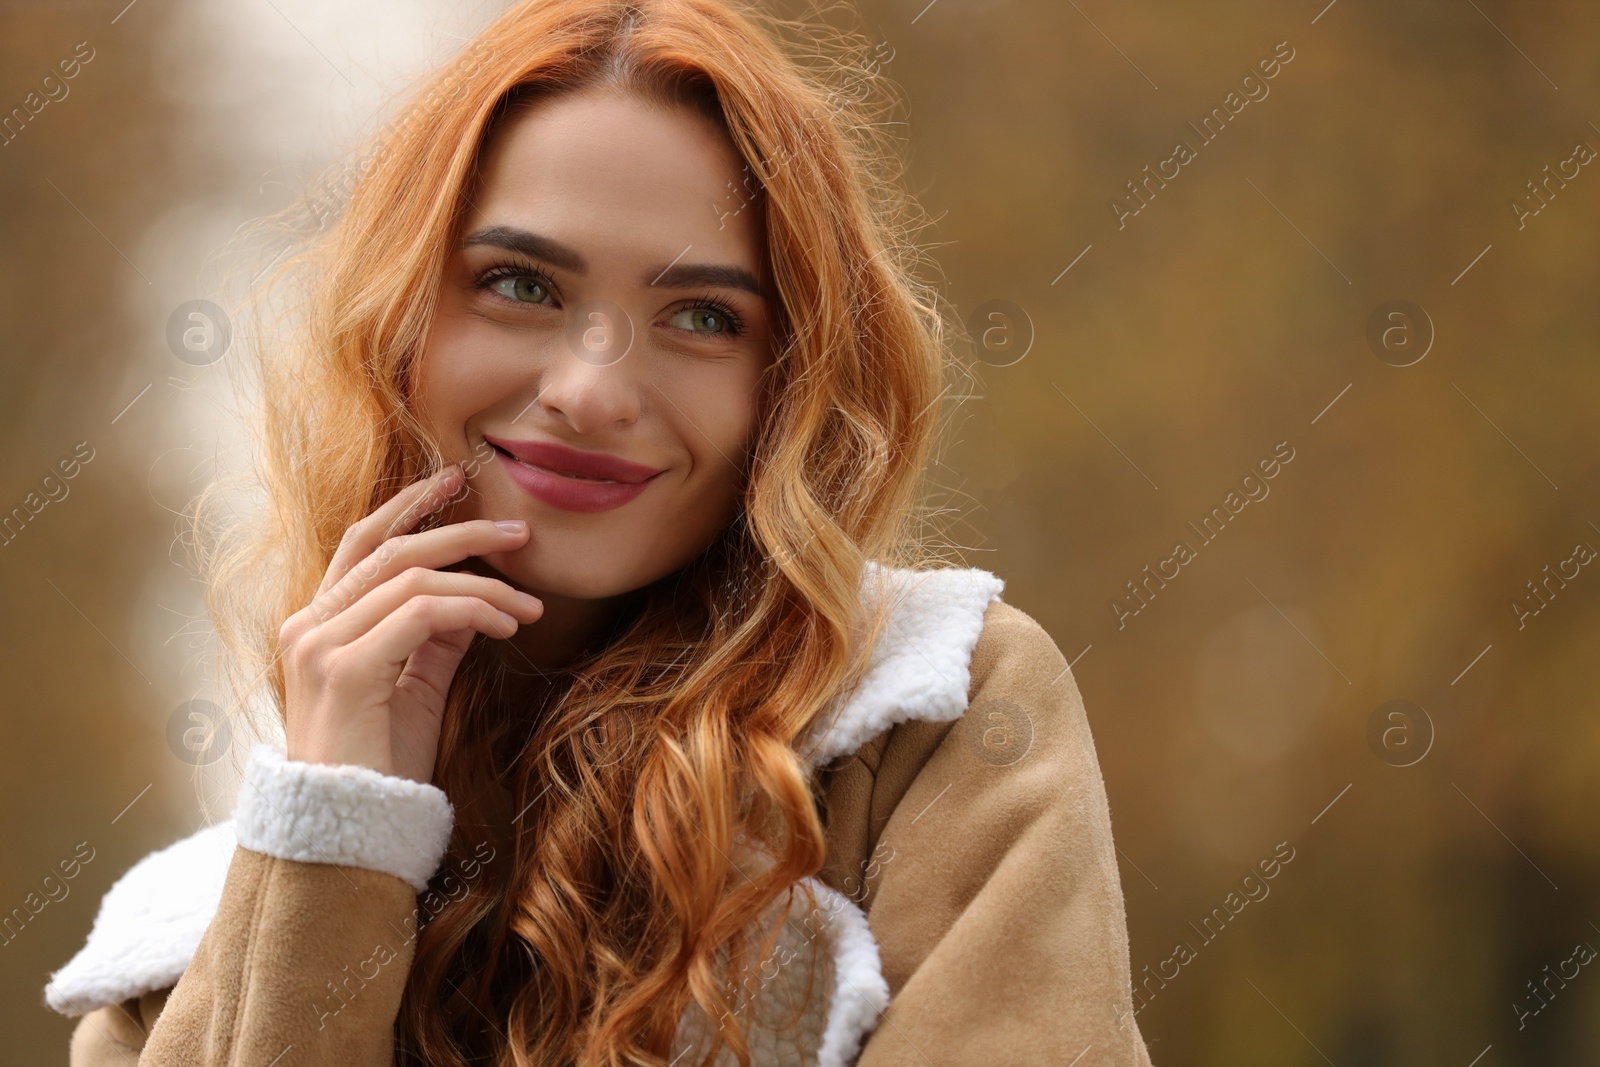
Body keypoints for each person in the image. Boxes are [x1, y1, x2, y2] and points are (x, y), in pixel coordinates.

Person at [43, 0, 1154, 1063]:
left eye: (703, 316)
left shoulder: (932, 725)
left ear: (791, 381)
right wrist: (338, 828)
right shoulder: (168, 970)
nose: (590, 388)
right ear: (400, 323)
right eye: (519, 283)